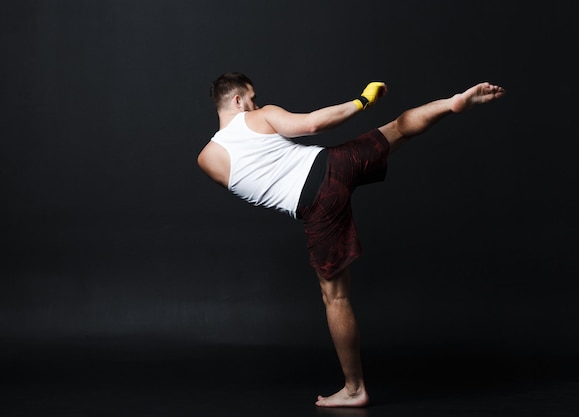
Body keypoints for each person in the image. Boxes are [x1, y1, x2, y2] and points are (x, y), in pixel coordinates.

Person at [197, 72, 505, 408]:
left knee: (336, 298)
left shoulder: (208, 159)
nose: (255, 103)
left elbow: (255, 188)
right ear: (238, 100)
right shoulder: (258, 115)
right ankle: (450, 103)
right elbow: (313, 124)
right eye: (252, 98)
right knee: (398, 128)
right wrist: (363, 101)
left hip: (314, 206)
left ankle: (355, 389)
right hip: (334, 165)